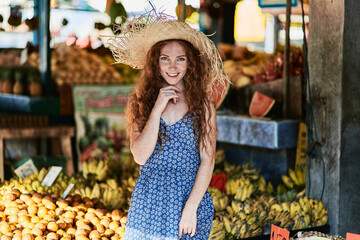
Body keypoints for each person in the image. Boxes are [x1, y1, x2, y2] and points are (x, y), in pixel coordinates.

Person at [107, 9, 228, 240]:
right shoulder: (140, 101)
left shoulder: (203, 104)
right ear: (155, 62)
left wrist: (191, 208)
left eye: (180, 59)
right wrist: (157, 108)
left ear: (190, 63)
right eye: (165, 59)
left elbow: (207, 160)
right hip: (150, 198)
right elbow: (140, 156)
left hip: (189, 197)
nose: (173, 66)